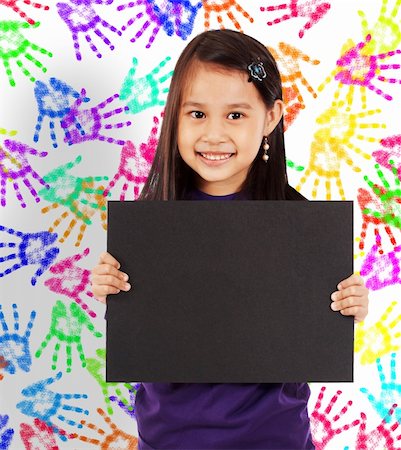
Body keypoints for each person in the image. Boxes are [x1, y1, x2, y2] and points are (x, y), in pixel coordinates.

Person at [91, 29, 369, 449]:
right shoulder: (152, 223)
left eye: (235, 115)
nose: (214, 134)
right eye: (197, 114)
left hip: (275, 440)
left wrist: (350, 305)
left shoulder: (301, 227)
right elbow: (146, 333)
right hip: (169, 440)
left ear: (271, 117)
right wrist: (112, 291)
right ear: (174, 116)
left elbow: (317, 325)